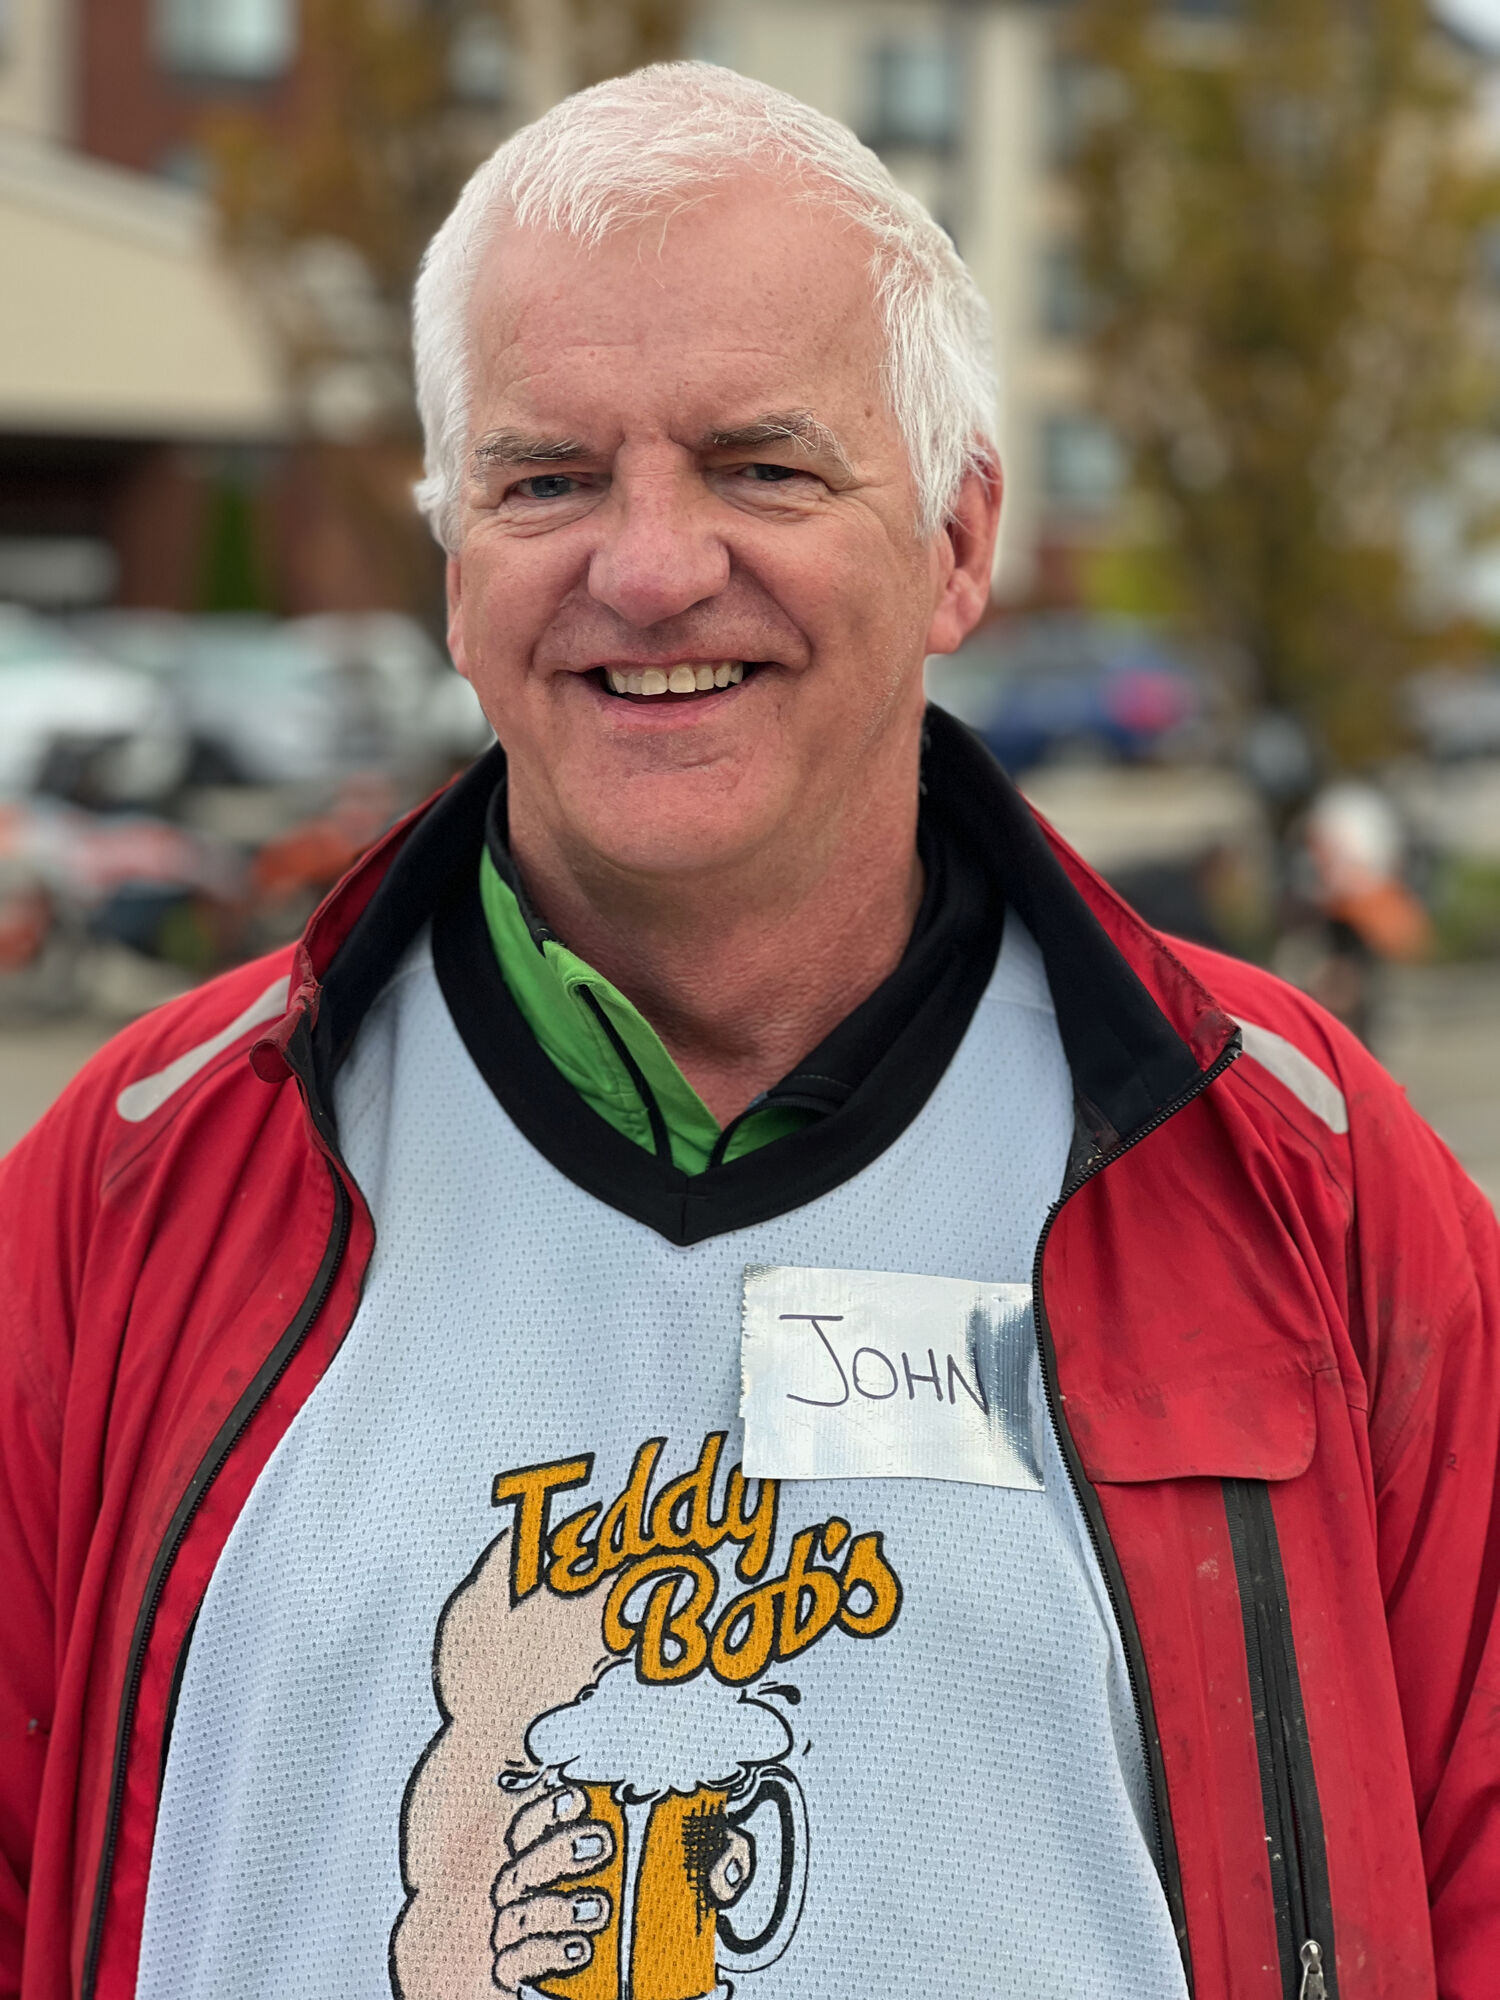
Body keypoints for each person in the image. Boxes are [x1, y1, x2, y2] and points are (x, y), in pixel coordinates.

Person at [1, 63, 1496, 2000]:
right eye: (547, 479)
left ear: (959, 542)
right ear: (457, 570)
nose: (647, 568)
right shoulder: (133, 1182)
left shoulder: (1300, 1170)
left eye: (761, 467)